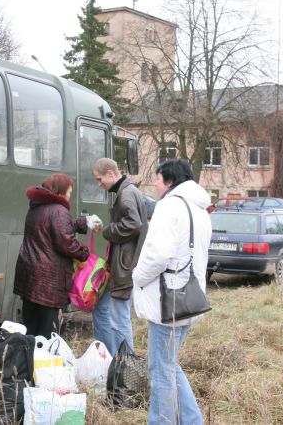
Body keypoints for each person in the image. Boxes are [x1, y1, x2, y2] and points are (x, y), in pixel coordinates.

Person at [132, 159, 211, 424]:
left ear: (169, 181)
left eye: (157, 179)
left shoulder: (169, 206)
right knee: (169, 365)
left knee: (161, 369)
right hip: (190, 299)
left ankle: (162, 421)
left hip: (168, 302)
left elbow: (158, 255)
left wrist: (136, 276)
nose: (154, 184)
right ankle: (192, 420)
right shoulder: (199, 210)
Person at [13, 173, 91, 338]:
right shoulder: (59, 211)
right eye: (69, 192)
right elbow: (66, 243)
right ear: (61, 192)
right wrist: (84, 253)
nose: (70, 197)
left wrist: (79, 223)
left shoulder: (36, 207)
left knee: (31, 326)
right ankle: (46, 361)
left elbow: (50, 229)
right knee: (49, 330)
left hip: (30, 275)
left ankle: (28, 360)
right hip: (48, 281)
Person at [91, 158, 148, 355]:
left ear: (110, 173)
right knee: (115, 316)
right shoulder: (127, 191)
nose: (99, 184)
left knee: (119, 320)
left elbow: (134, 224)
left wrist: (109, 230)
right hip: (125, 265)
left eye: (99, 179)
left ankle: (126, 367)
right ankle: (119, 362)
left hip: (125, 267)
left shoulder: (126, 194)